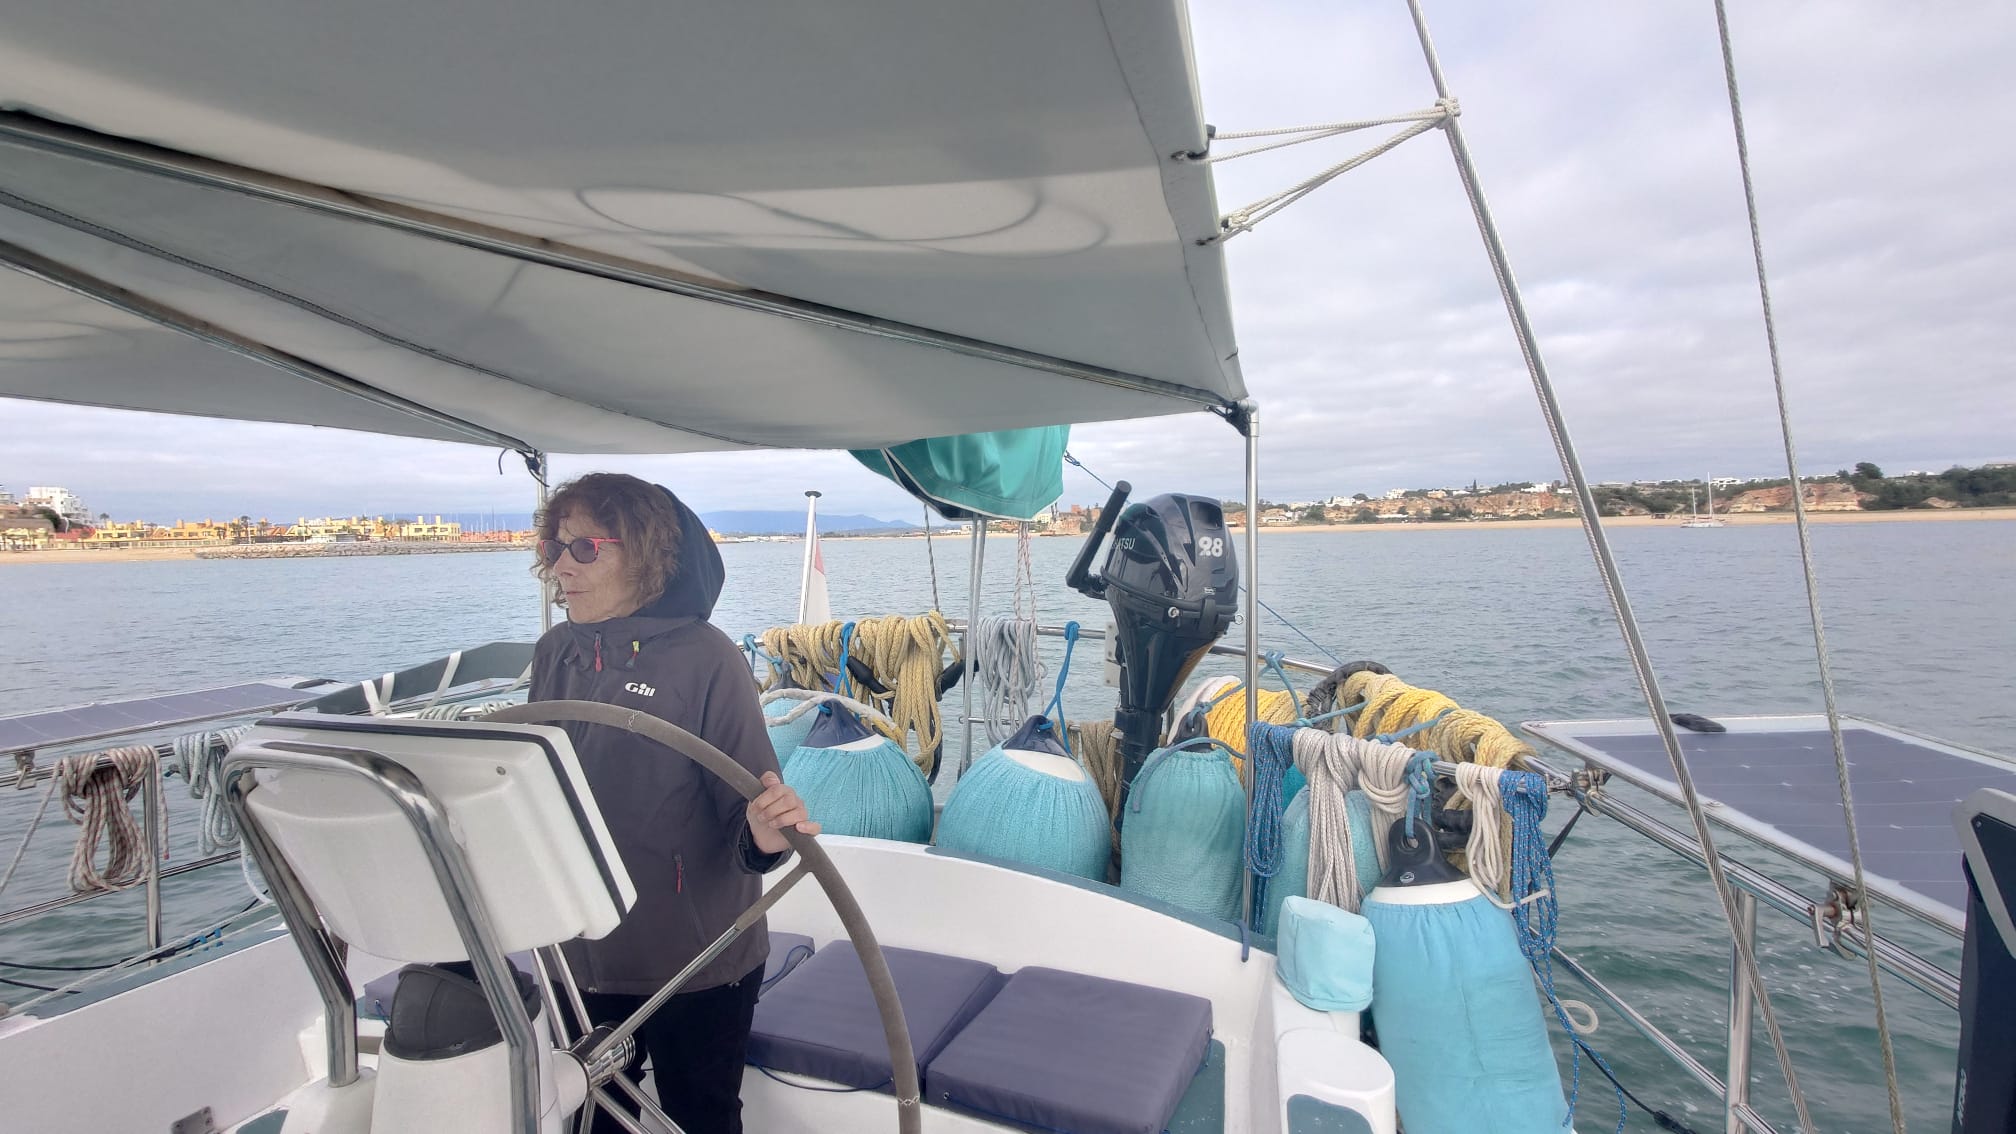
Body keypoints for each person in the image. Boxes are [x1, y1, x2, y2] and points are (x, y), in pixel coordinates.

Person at [528, 472, 818, 1134]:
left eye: (585, 548)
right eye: (555, 547)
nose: (562, 567)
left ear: (646, 554)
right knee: (594, 1119)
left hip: (697, 961)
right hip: (577, 954)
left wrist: (765, 832)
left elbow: (751, 813)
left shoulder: (707, 659)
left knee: (701, 1116)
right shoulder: (553, 653)